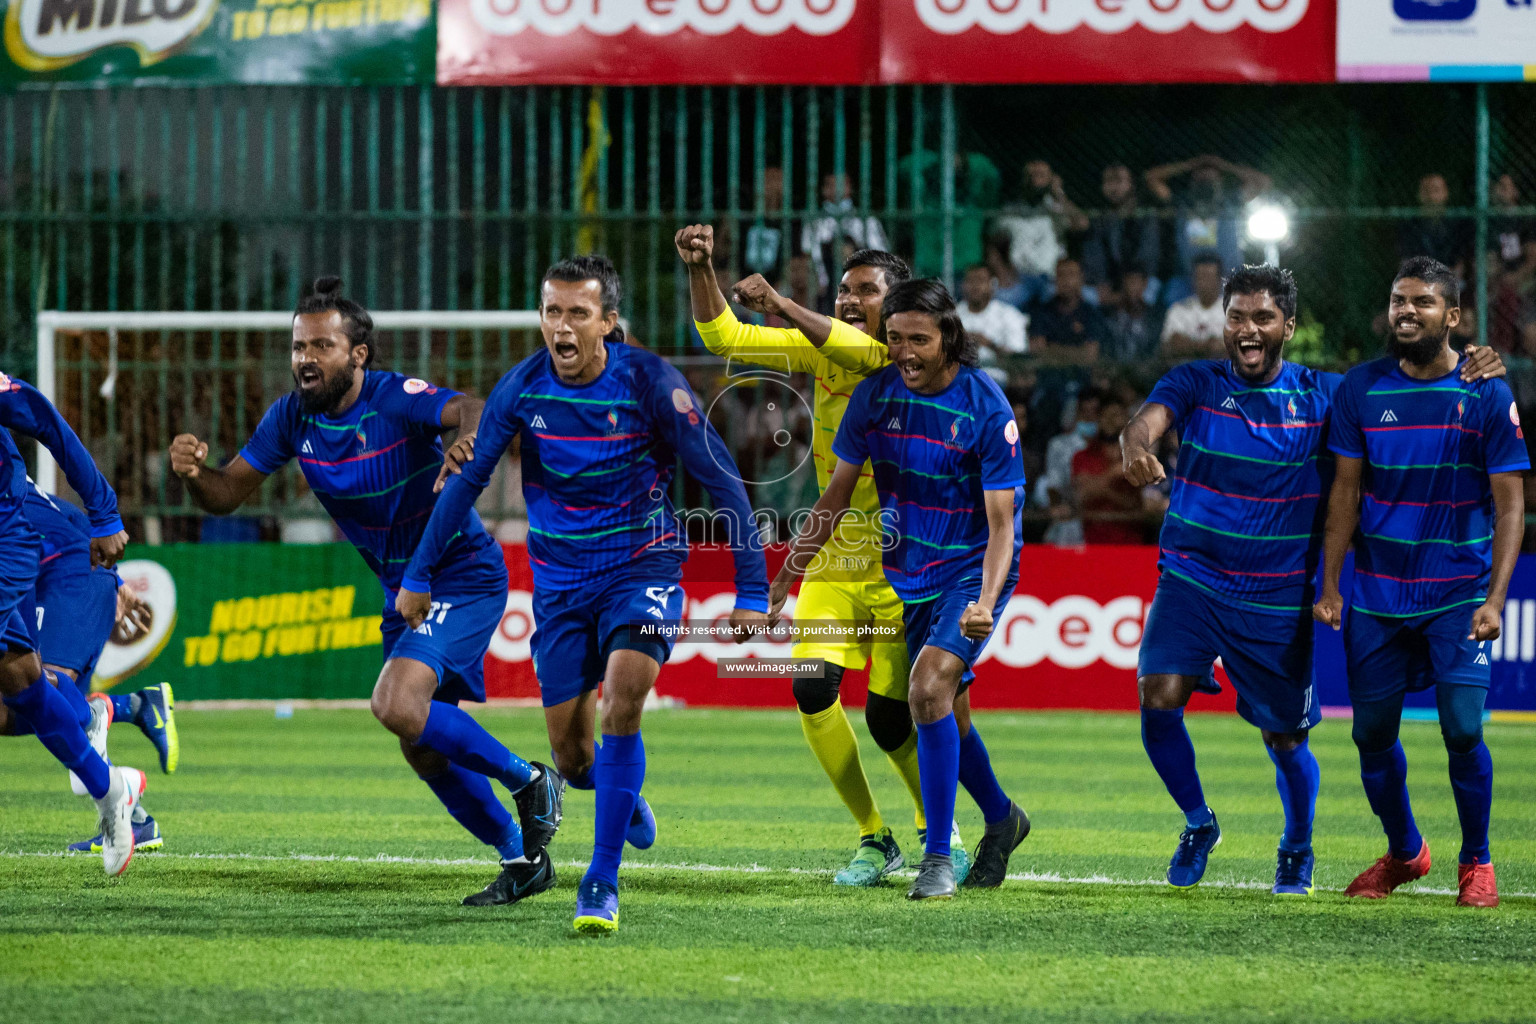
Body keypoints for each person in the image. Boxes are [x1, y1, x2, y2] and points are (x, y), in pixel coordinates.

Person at [397, 255, 771, 935]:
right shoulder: (524, 388)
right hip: (562, 587)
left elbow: (720, 479)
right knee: (573, 759)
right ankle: (622, 800)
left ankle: (599, 881)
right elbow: (468, 481)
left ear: (608, 321)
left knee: (622, 701)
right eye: (550, 311)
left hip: (642, 568)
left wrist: (752, 587)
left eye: (576, 313)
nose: (560, 326)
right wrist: (418, 574)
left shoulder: (652, 382)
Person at [169, 277, 562, 907]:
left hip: (460, 574)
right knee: (420, 745)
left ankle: (532, 779)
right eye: (298, 346)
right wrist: (193, 475)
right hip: (400, 591)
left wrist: (463, 439)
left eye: (321, 346)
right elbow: (227, 493)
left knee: (396, 706)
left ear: (357, 355)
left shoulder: (392, 398)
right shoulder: (291, 418)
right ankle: (521, 859)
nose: (304, 358)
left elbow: (470, 405)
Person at [1123, 263, 1506, 897]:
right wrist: (1135, 444)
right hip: (1191, 578)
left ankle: (1297, 845)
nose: (1248, 329)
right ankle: (1198, 822)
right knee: (1157, 696)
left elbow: (1406, 381)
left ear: (1288, 327)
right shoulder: (1193, 381)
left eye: (1262, 318)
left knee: (1285, 737)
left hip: (1277, 593)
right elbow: (1146, 421)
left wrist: (1476, 358)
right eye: (1237, 317)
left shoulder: (1329, 393)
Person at [678, 225, 964, 887]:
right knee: (811, 687)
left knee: (892, 719)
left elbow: (854, 346)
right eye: (842, 289)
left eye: (865, 290)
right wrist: (703, 269)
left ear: (898, 312)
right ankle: (874, 836)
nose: (847, 299)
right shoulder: (821, 348)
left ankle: (937, 831)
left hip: (904, 563)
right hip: (837, 557)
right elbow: (724, 337)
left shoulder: (896, 359)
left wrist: (779, 302)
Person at [771, 278, 1031, 901]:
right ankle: (1002, 818)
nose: (905, 352)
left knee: (926, 688)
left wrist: (985, 604)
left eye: (919, 339)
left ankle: (937, 857)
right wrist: (787, 572)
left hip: (971, 572)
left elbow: (1002, 527)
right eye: (894, 338)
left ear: (949, 340)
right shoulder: (874, 397)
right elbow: (835, 496)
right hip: (909, 575)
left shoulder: (986, 408)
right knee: (949, 713)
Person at [1314, 256, 1526, 909]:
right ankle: (1406, 853)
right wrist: (1330, 584)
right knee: (1370, 735)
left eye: (1423, 303)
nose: (1406, 312)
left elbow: (1512, 503)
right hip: (1377, 593)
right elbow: (1346, 493)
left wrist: (1496, 598)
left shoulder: (1485, 391)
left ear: (1452, 316)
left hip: (1457, 591)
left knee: (1463, 729)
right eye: (1398, 300)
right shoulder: (1361, 389)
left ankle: (1477, 863)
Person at [0, 373, 139, 876]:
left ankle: (104, 712)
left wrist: (104, 514)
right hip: (35, 559)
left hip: (11, 544)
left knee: (39, 682)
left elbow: (44, 420)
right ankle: (111, 789)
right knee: (20, 684)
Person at [4, 482, 174, 853]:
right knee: (14, 708)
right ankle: (136, 815)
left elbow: (55, 516)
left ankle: (109, 712)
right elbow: (55, 512)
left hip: (73, 574)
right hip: (52, 574)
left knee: (36, 690)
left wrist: (110, 574)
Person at [1144, 154, 1269, 297]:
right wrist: (1190, 163)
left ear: (1220, 181)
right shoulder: (1183, 203)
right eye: (1200, 177)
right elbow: (1151, 177)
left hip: (1230, 280)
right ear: (1192, 181)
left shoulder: (1231, 201)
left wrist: (1223, 165)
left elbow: (1263, 182)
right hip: (1189, 280)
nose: (1205, 181)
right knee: (1170, 294)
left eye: (1210, 178)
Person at [991, 160, 1086, 309]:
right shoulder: (1010, 211)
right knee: (999, 300)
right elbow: (993, 245)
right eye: (1031, 175)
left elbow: (1082, 225)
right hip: (1019, 279)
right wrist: (1004, 274)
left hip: (1052, 278)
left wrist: (1059, 193)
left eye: (1041, 175)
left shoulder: (1057, 210)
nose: (1035, 180)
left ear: (1051, 179)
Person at [802, 173, 890, 312]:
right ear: (823, 189)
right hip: (824, 289)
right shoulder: (814, 222)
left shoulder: (866, 220)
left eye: (842, 184)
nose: (836, 189)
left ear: (850, 187)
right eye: (830, 185)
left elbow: (882, 257)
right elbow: (807, 256)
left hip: (862, 287)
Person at [1081, 163, 1163, 305]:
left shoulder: (1145, 215)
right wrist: (1101, 282)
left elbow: (1149, 255)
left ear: (1130, 184)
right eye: (1108, 181)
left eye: (1118, 180)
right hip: (1110, 281)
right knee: (1087, 296)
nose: (1113, 187)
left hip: (1141, 279)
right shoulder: (1099, 218)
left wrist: (1132, 283)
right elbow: (1094, 254)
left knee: (1150, 293)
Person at [1070, 398, 1142, 544]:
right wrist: (1112, 475)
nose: (1110, 421)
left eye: (1116, 415)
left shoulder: (1137, 456)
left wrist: (1098, 487)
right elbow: (1082, 496)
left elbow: (1137, 504)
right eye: (1105, 415)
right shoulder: (1082, 457)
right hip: (1094, 541)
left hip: (1131, 542)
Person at [1028, 258, 1108, 365]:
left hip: (1083, 378)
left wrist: (1052, 349)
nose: (1066, 281)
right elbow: (1037, 352)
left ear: (1081, 279)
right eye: (1061, 275)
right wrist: (1078, 352)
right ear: (1055, 280)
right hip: (1049, 376)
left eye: (1071, 275)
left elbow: (1091, 356)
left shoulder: (1092, 313)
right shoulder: (1041, 312)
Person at [959, 263, 1029, 384]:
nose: (975, 286)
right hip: (960, 379)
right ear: (963, 285)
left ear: (992, 285)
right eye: (971, 280)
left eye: (980, 280)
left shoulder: (1009, 315)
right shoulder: (952, 316)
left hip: (999, 381)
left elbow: (1018, 358)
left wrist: (989, 344)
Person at [1397, 174, 1470, 281]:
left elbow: (1460, 265)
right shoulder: (1409, 226)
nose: (1431, 197)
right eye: (1426, 191)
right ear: (1418, 195)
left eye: (1436, 190)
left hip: (1450, 282)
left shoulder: (1457, 225)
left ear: (1446, 194)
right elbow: (1406, 265)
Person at [1160, 253, 1228, 359]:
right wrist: (1208, 346)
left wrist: (1189, 345)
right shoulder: (1179, 309)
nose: (1204, 283)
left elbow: (1234, 347)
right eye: (1200, 277)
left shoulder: (1233, 310)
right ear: (1193, 279)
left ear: (1220, 280)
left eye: (1209, 277)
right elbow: (1169, 346)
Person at [1105, 264, 1164, 361]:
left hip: (1147, 371)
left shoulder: (1155, 315)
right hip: (1116, 371)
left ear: (1145, 284)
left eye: (1137, 282)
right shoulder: (1111, 315)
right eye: (1130, 282)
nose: (1132, 287)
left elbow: (1155, 350)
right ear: (1123, 284)